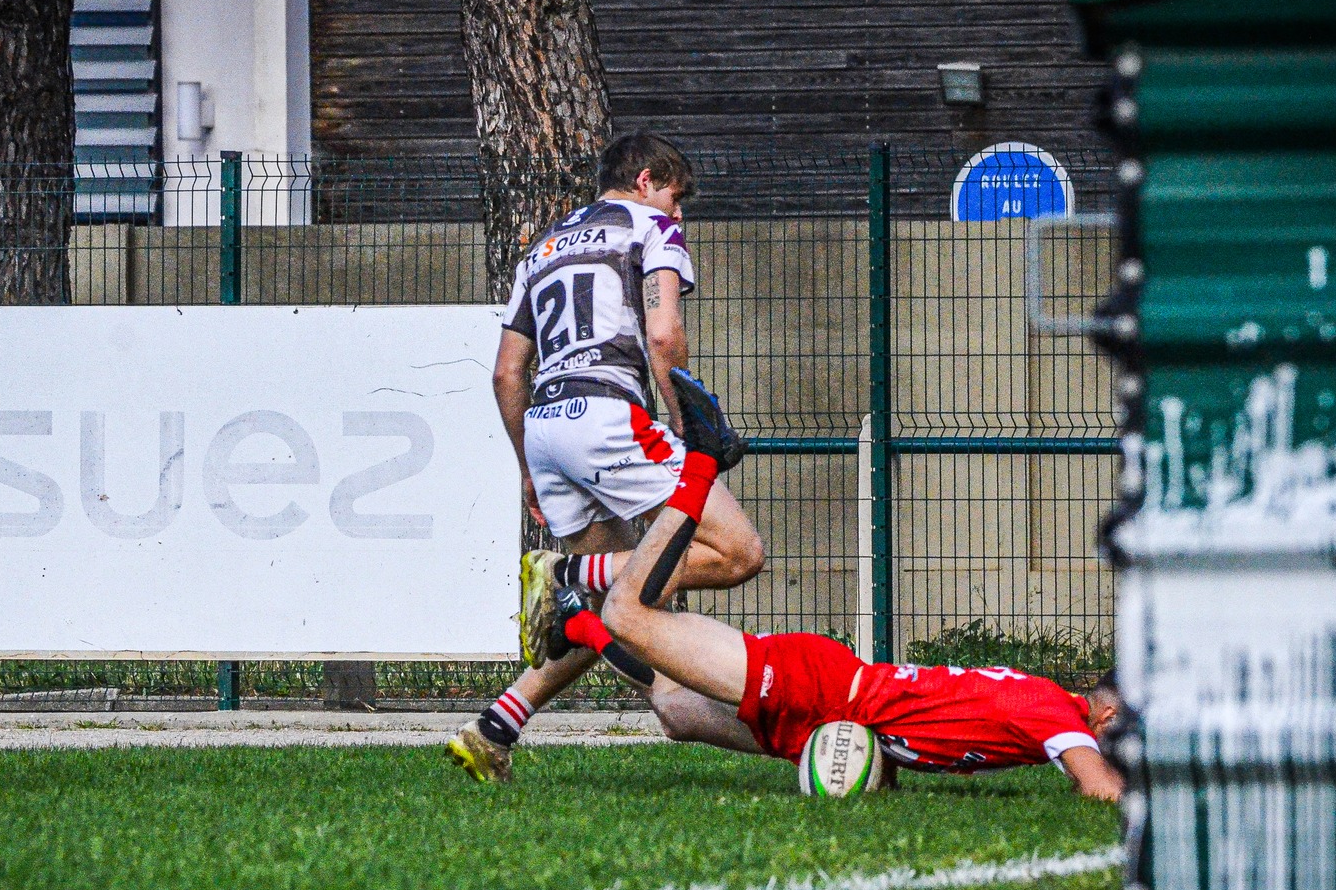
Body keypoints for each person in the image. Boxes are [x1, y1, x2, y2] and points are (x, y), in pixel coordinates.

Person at [542, 368, 1126, 802]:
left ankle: (576, 623)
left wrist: (882, 767)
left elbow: (934, 719)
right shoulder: (1055, 712)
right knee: (631, 614)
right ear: (1104, 716)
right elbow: (1099, 789)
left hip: (834, 713)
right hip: (816, 686)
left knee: (677, 712)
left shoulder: (1046, 707)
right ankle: (700, 462)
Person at [448, 133, 765, 784]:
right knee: (736, 551)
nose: (680, 215)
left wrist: (530, 470)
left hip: (545, 427)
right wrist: (687, 425)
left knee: (620, 615)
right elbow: (662, 332)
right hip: (611, 417)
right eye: (678, 198)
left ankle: (495, 728)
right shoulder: (650, 228)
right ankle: (569, 575)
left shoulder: (542, 248)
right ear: (648, 181)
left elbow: (508, 374)